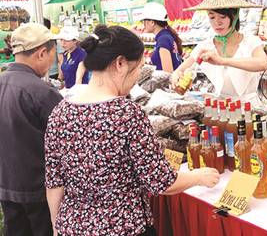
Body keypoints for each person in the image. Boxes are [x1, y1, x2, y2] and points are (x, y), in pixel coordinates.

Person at [45, 24, 219, 236]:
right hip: (124, 227)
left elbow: (54, 181)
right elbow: (160, 181)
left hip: (71, 226)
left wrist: (56, 226)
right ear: (120, 63)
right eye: (139, 68)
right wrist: (199, 177)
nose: (138, 76)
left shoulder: (60, 111)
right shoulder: (127, 113)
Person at [0, 23, 63, 236]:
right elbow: (66, 140)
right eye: (52, 56)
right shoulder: (41, 92)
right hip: (39, 190)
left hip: (6, 185)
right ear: (42, 53)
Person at [171, 0, 267, 106]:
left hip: (250, 106)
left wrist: (222, 61)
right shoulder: (206, 46)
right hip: (222, 107)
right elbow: (179, 70)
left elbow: (262, 63)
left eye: (222, 17)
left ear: (235, 16)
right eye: (212, 17)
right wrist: (176, 78)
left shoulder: (251, 41)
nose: (217, 22)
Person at [139, 2, 182, 73]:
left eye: (143, 21)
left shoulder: (163, 39)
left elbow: (168, 74)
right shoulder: (166, 36)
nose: (143, 24)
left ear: (152, 22)